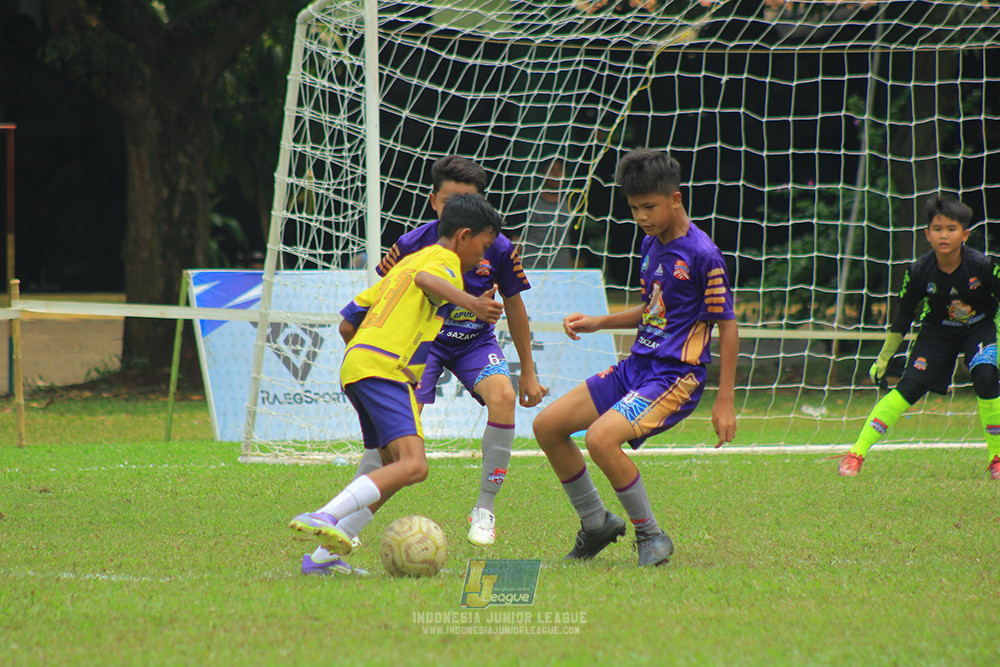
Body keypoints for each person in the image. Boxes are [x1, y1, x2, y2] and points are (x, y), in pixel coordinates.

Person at [298, 157, 547, 575]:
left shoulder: (486, 248)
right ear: (438, 205)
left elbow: (349, 320)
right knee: (408, 462)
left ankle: (327, 555)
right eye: (453, 200)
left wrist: (528, 369)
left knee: (411, 454)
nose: (485, 253)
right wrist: (468, 302)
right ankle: (327, 519)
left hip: (424, 353)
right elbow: (423, 283)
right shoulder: (432, 254)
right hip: (402, 362)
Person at [532, 148, 738, 567]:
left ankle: (651, 535)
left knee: (600, 439)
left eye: (649, 207)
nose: (642, 216)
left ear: (675, 199)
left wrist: (725, 399)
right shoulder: (651, 244)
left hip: (675, 376)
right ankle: (596, 524)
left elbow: (728, 325)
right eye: (634, 208)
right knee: (548, 426)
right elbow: (653, 308)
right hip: (636, 368)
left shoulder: (703, 255)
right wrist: (600, 322)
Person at [839, 196, 1000, 480]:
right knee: (909, 387)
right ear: (927, 234)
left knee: (986, 377)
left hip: (980, 328)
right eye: (937, 228)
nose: (944, 234)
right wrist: (884, 358)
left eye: (951, 228)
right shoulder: (918, 271)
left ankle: (997, 458)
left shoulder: (983, 265)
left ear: (965, 234)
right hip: (937, 332)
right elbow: (903, 316)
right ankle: (856, 453)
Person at [507, 158, 578, 270]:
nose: (556, 174)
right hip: (530, 268)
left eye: (560, 170)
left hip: (562, 271)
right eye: (551, 170)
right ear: (541, 174)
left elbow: (576, 241)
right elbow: (516, 239)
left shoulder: (572, 202)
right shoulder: (526, 201)